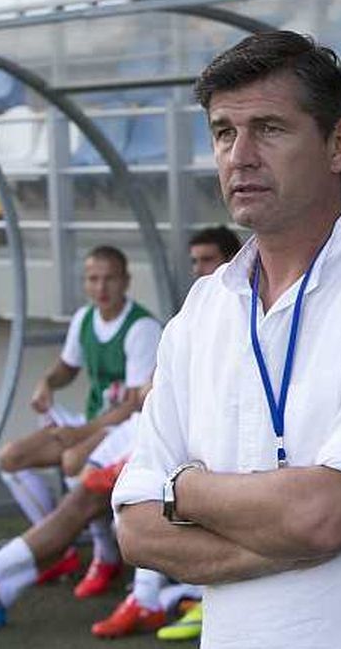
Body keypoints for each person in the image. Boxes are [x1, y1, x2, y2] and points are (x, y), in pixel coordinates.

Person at [111, 31, 341, 648]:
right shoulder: (204, 308)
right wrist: (295, 532)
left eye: (269, 129)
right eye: (224, 132)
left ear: (339, 144)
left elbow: (328, 514)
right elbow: (137, 531)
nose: (240, 156)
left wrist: (185, 488)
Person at [95, 227, 242, 642]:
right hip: (166, 436)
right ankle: (128, 579)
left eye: (207, 259)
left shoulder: (245, 309)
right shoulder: (195, 311)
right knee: (112, 491)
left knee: (130, 488)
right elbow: (158, 390)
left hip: (211, 449)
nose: (198, 269)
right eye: (194, 261)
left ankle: (154, 594)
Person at [0, 245, 162, 598]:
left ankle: (103, 555)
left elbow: (134, 405)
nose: (101, 287)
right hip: (94, 421)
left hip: (124, 428)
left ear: (126, 281)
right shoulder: (85, 318)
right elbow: (67, 366)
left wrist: (78, 434)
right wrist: (47, 382)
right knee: (10, 458)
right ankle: (59, 548)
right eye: (93, 279)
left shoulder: (142, 327)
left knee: (75, 461)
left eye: (109, 279)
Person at [0, 390, 162, 629]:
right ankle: (3, 590)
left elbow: (146, 397)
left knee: (85, 497)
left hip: (158, 434)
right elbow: (143, 394)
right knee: (81, 487)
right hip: (140, 426)